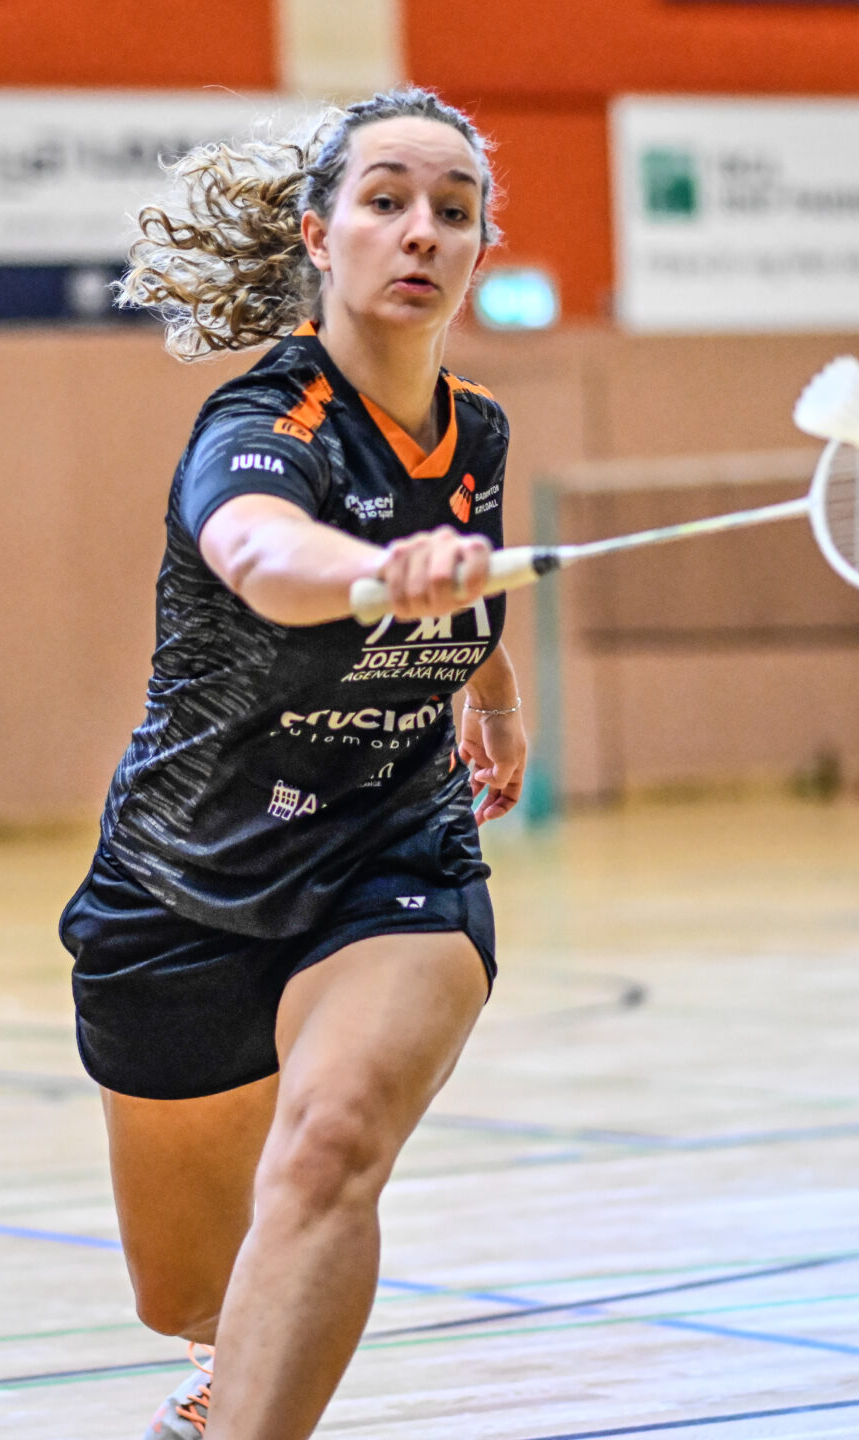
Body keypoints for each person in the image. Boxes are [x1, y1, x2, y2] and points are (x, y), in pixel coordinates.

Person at [58, 88, 525, 1440]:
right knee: (186, 1291)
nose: (420, 231)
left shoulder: (476, 431)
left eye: (454, 208)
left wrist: (488, 683)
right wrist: (379, 574)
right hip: (182, 886)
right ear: (319, 234)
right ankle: (228, 1360)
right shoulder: (264, 423)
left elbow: (466, 560)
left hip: (393, 850)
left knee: (331, 1150)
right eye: (385, 200)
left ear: (481, 251)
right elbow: (265, 553)